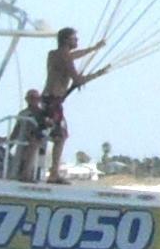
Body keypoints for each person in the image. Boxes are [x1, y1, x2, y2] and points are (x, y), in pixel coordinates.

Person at [39, 26, 101, 184]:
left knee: (46, 135)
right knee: (60, 137)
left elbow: (73, 55)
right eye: (74, 38)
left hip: (47, 99)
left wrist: (94, 49)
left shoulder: (54, 54)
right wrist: (101, 73)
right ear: (66, 40)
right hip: (54, 101)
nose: (77, 41)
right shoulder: (65, 58)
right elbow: (78, 79)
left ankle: (46, 171)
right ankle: (53, 174)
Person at [9, 90, 51, 183]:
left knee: (37, 162)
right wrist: (9, 144)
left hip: (37, 143)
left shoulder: (43, 114)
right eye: (31, 98)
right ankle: (21, 175)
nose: (33, 100)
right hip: (23, 143)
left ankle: (31, 176)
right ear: (26, 99)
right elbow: (16, 129)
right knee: (20, 160)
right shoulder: (23, 113)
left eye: (35, 98)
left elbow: (46, 128)